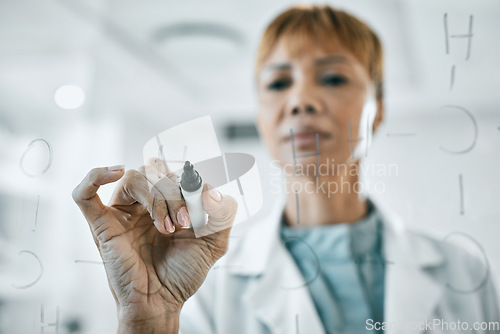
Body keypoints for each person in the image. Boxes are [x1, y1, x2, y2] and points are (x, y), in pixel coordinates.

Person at [72, 5, 499, 334]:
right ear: (262, 116)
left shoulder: (464, 273)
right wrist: (148, 321)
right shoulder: (206, 289)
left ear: (379, 110)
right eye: (278, 84)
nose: (299, 101)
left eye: (332, 79)